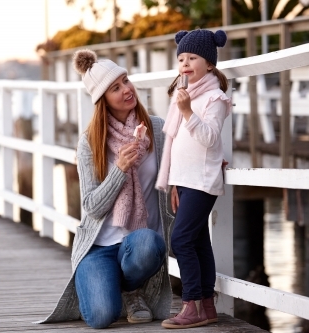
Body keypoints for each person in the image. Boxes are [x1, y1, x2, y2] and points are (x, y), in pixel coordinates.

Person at [37, 49, 174, 329]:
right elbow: (91, 206)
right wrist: (120, 169)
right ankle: (107, 287)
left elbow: (186, 154)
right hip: (99, 246)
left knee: (149, 243)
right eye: (115, 87)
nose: (126, 89)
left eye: (125, 81)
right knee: (101, 317)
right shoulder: (90, 143)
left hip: (136, 243)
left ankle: (130, 289)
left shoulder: (156, 130)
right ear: (102, 101)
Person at [156, 29, 232, 329]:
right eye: (182, 58)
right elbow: (177, 145)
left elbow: (210, 139)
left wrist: (188, 111)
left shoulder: (214, 98)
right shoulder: (182, 96)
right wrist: (174, 181)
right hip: (185, 180)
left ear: (210, 64)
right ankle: (208, 306)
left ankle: (191, 304)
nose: (185, 63)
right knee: (198, 241)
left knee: (181, 239)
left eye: (193, 57)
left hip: (202, 179)